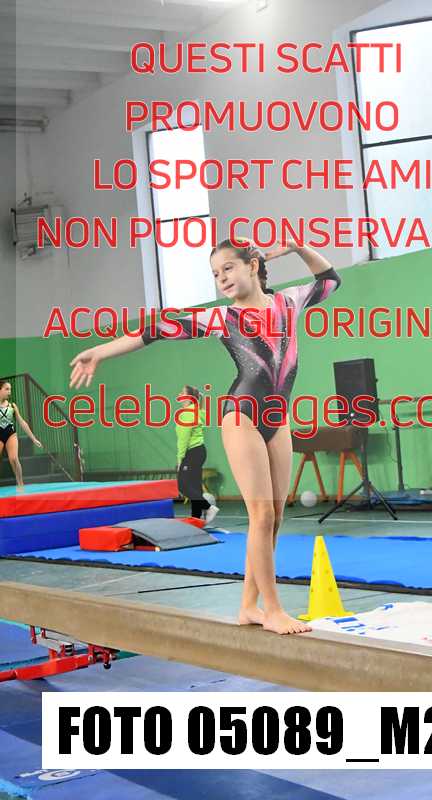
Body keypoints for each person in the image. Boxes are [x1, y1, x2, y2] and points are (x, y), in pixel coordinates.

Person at [69, 238, 341, 634]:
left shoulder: (289, 302)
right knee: (262, 515)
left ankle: (248, 607)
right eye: (215, 274)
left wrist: (298, 248)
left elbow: (330, 280)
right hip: (242, 416)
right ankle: (273, 610)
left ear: (252, 265)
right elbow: (155, 331)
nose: (222, 278)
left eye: (228, 268)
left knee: (276, 518)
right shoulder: (221, 318)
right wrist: (101, 351)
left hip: (277, 419)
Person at [176, 384, 219, 523]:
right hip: (199, 452)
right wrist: (201, 399)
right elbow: (202, 411)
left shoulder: (186, 414)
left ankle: (208, 508)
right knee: (195, 486)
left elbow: (184, 438)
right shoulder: (196, 411)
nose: (179, 395)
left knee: (183, 485)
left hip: (191, 453)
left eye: (182, 393)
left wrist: (180, 459)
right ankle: (196, 519)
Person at [0, 379, 42, 490]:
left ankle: (20, 483)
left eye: (10, 389)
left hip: (10, 433)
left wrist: (33, 438)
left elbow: (22, 422)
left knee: (14, 458)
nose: (9, 392)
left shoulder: (12, 406)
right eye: (7, 389)